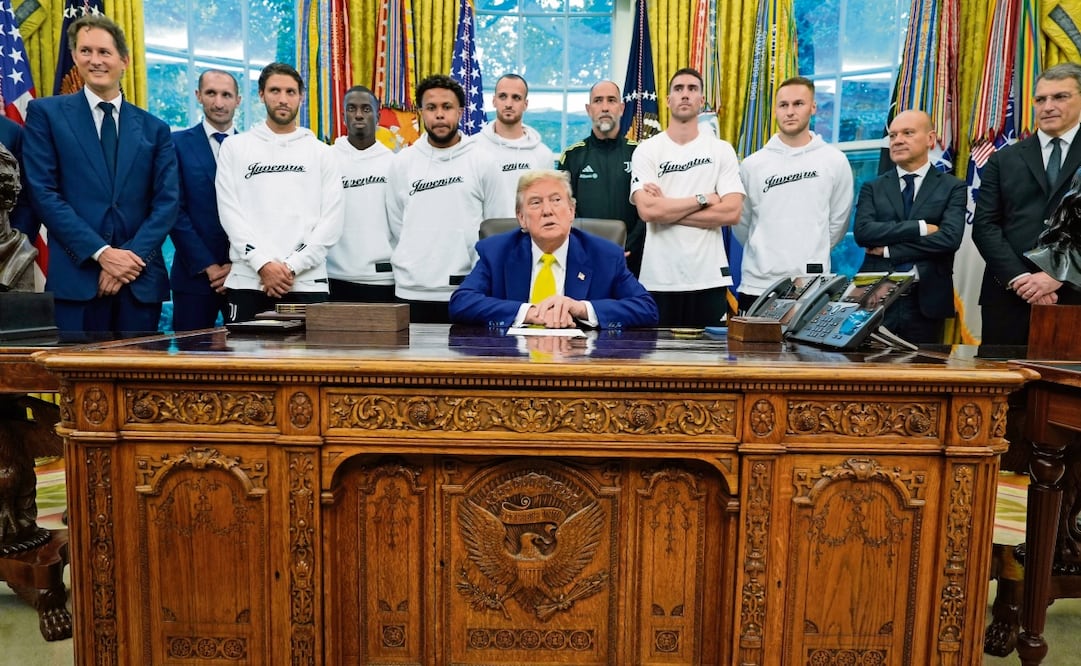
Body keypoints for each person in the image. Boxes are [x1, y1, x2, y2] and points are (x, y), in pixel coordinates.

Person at [23, 14, 179, 335]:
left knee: (140, 383)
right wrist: (102, 254)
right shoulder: (46, 115)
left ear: (123, 61)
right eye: (85, 51)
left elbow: (167, 203)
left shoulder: (156, 129)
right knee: (77, 385)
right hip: (77, 281)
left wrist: (127, 260)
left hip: (139, 282)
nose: (95, 60)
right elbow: (43, 194)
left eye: (104, 52)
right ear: (76, 57)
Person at [215, 62, 343, 323]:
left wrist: (290, 267)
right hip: (248, 281)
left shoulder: (322, 153)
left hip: (307, 283)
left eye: (290, 92)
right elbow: (230, 213)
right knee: (247, 363)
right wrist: (263, 264)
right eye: (275, 91)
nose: (283, 99)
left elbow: (331, 222)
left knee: (308, 364)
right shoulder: (234, 147)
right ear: (261, 94)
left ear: (301, 97)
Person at [449, 169, 657, 329]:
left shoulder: (605, 255)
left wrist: (580, 308)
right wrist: (527, 312)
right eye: (536, 203)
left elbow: (646, 309)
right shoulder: (497, 251)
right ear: (521, 218)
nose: (547, 211)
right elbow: (462, 302)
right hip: (512, 364)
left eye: (556, 200)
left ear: (571, 211)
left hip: (581, 365)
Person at [973, 62, 1081, 345]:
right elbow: (984, 226)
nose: (1047, 106)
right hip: (1010, 298)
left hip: (1074, 294)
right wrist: (1020, 279)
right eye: (1040, 99)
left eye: (1060, 97)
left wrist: (1058, 274)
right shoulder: (1003, 159)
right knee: (1001, 387)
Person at [629, 67, 745, 328]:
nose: (685, 94)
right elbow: (647, 211)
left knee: (708, 364)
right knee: (659, 365)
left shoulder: (721, 150)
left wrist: (666, 211)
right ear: (668, 100)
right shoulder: (647, 150)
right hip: (659, 278)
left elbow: (731, 213)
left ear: (701, 100)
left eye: (692, 89)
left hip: (709, 278)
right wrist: (703, 198)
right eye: (678, 89)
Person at [736, 77, 852, 312]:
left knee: (809, 350)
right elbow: (742, 225)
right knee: (753, 351)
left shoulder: (834, 161)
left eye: (798, 104)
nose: (790, 112)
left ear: (813, 107)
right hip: (757, 286)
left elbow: (837, 224)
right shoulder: (752, 165)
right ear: (775, 110)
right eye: (783, 105)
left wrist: (810, 249)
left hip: (811, 286)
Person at [386, 74, 493, 323]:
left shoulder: (483, 161)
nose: (439, 115)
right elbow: (396, 226)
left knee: (462, 362)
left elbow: (495, 228)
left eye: (447, 107)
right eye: (431, 108)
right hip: (410, 290)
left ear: (461, 112)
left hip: (466, 292)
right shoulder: (402, 162)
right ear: (421, 112)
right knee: (412, 363)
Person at [852, 110, 966, 344]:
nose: (898, 140)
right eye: (893, 135)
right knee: (868, 370)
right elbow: (864, 233)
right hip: (876, 296)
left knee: (925, 373)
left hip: (926, 300)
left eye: (908, 133)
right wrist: (921, 227)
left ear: (930, 139)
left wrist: (889, 250)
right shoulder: (872, 188)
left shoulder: (953, 187)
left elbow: (949, 240)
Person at [169, 69, 241, 331]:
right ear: (199, 95)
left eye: (226, 95)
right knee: (190, 363)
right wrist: (209, 266)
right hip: (194, 276)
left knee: (250, 359)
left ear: (238, 100)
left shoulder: (252, 148)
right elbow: (173, 210)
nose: (219, 102)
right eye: (211, 93)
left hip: (246, 274)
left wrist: (238, 263)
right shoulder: (175, 144)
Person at [558, 80, 644, 276]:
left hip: (632, 258)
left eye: (611, 100)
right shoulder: (572, 156)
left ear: (621, 108)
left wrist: (628, 246)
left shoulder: (640, 153)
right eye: (598, 101)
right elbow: (564, 209)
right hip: (585, 257)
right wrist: (589, 247)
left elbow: (647, 209)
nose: (605, 107)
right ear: (589, 109)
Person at [327, 85, 396, 303]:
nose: (358, 114)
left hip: (383, 279)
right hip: (333, 276)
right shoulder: (327, 159)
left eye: (366, 109)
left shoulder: (395, 163)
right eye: (352, 108)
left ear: (377, 115)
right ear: (343, 116)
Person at [474, 74, 555, 218]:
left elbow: (547, 204)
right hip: (487, 238)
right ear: (494, 101)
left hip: (529, 237)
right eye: (503, 96)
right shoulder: (474, 148)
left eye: (516, 98)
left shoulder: (543, 154)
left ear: (525, 104)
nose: (509, 104)